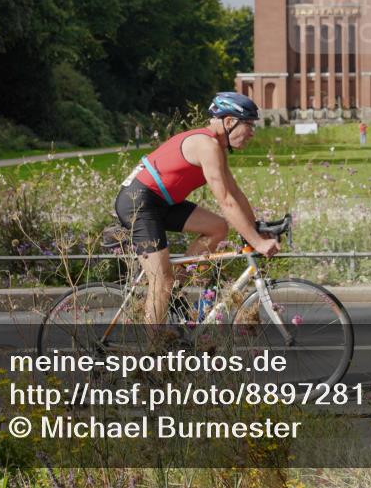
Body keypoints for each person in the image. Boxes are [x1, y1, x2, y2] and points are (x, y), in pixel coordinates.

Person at [114, 92, 279, 325]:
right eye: (249, 125)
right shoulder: (206, 145)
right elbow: (226, 201)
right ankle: (153, 345)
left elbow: (235, 193)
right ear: (229, 122)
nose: (252, 132)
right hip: (138, 203)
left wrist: (256, 229)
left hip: (162, 202)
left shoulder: (216, 147)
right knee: (161, 281)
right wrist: (258, 243)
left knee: (217, 227)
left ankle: (174, 291)